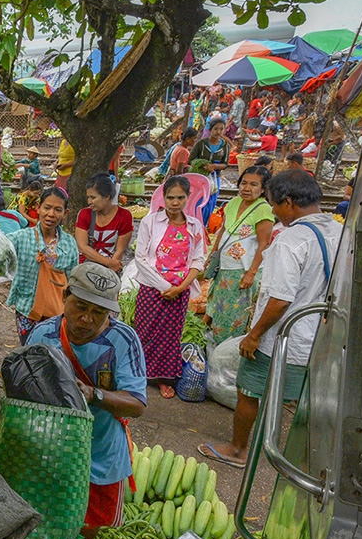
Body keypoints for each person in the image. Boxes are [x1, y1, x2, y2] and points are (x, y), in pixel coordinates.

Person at [199, 170, 342, 467]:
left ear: (288, 202)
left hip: (284, 337)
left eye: (275, 205)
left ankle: (238, 450)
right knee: (301, 397)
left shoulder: (291, 240)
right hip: (322, 334)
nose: (274, 211)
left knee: (248, 390)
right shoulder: (339, 232)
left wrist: (254, 335)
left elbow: (280, 299)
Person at [26, 262, 147, 539]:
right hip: (55, 445)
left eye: (99, 312)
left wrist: (95, 394)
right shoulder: (43, 334)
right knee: (49, 503)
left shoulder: (123, 340)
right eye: (81, 306)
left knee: (95, 520)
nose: (87, 319)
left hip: (102, 449)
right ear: (65, 297)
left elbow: (137, 404)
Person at [133, 176, 206, 398]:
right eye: (170, 197)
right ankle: (139, 374)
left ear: (188, 198)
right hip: (152, 289)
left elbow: (197, 261)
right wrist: (165, 286)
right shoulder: (150, 222)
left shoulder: (194, 226)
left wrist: (181, 287)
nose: (175, 202)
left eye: (180, 197)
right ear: (163, 198)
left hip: (180, 293)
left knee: (170, 336)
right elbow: (140, 258)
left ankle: (164, 379)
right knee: (145, 332)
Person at [204, 166, 275, 343]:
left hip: (243, 272)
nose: (246, 188)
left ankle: (229, 350)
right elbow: (223, 232)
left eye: (253, 184)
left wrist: (251, 273)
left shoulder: (263, 209)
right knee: (219, 309)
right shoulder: (233, 203)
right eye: (244, 183)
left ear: (263, 188)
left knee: (236, 315)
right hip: (225, 268)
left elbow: (264, 244)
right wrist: (212, 256)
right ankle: (216, 345)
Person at [7, 187, 80, 343]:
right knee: (29, 351)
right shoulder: (21, 238)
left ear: (65, 214)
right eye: (47, 208)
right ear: (38, 208)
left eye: (58, 210)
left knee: (54, 353)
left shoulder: (69, 244)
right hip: (27, 308)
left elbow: (73, 280)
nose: (51, 214)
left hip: (57, 312)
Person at [74, 172, 133, 271]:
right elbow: (82, 247)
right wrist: (108, 263)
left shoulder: (124, 216)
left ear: (107, 197)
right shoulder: (85, 214)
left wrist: (110, 269)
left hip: (110, 268)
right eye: (88, 197)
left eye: (93, 198)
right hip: (85, 267)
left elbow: (120, 251)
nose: (89, 202)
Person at [190, 118, 229, 225]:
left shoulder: (225, 145)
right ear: (210, 129)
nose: (218, 132)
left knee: (210, 202)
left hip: (214, 179)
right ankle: (195, 223)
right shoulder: (201, 144)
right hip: (200, 179)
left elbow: (225, 164)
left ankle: (205, 225)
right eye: (216, 129)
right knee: (198, 201)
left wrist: (215, 166)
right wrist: (204, 165)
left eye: (221, 129)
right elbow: (191, 160)